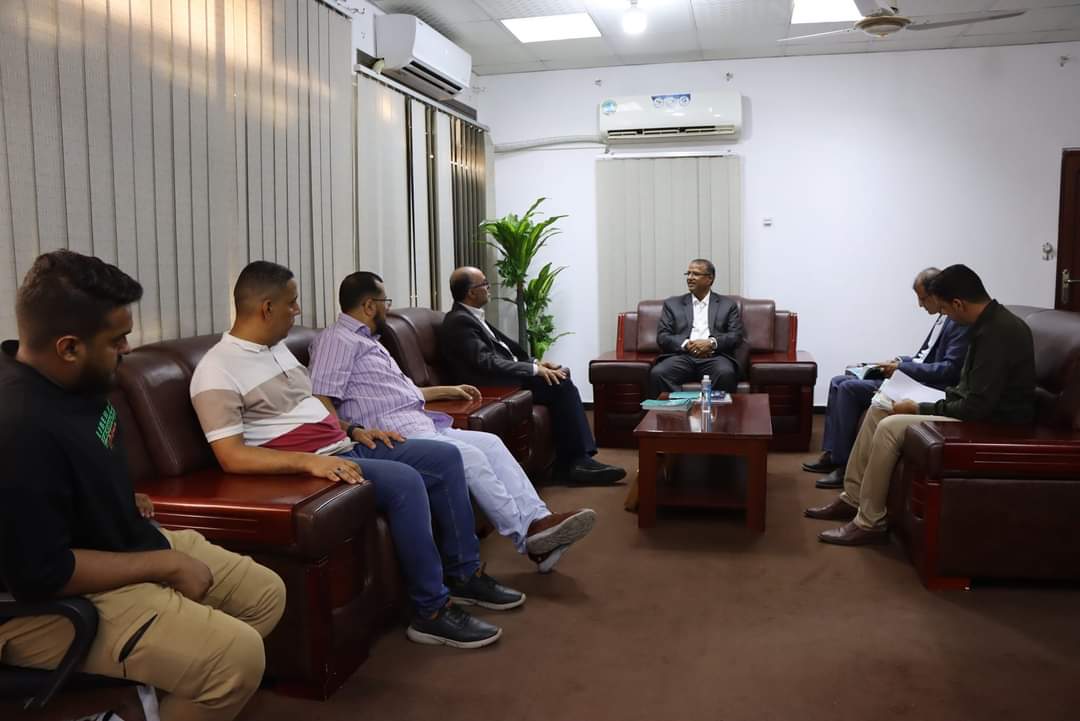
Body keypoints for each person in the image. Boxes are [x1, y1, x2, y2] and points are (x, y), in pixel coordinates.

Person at [0, 250, 286, 721]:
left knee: (265, 595)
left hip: (116, 541)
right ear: (68, 347)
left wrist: (113, 494)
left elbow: (71, 471)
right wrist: (166, 565)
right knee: (235, 660)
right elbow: (41, 573)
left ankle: (146, 702)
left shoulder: (75, 380)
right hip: (46, 601)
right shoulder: (19, 427)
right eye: (118, 340)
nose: (129, 349)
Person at [190, 261, 523, 650]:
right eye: (292, 302)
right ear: (267, 307)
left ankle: (464, 575)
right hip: (307, 464)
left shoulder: (275, 350)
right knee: (405, 482)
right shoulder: (217, 370)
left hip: (342, 444)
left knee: (445, 458)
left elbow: (311, 409)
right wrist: (311, 462)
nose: (297, 310)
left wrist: (353, 429)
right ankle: (431, 612)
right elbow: (231, 457)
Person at [308, 272, 598, 574]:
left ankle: (539, 520)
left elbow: (402, 392)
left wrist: (448, 390)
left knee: (491, 444)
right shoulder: (336, 340)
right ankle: (529, 534)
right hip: (394, 434)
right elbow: (320, 398)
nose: (387, 308)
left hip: (421, 423)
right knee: (468, 456)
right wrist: (351, 432)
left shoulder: (369, 342)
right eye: (385, 301)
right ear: (369, 305)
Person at [804, 265, 1036, 546]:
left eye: (945, 310)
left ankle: (870, 522)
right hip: (971, 407)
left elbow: (975, 408)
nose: (945, 316)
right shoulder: (986, 324)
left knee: (889, 426)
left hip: (992, 424)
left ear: (958, 304)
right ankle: (852, 498)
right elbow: (969, 393)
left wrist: (919, 408)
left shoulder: (997, 334)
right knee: (880, 407)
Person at [438, 266, 626, 485]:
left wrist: (536, 363)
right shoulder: (458, 321)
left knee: (558, 377)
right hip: (490, 384)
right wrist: (533, 370)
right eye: (485, 284)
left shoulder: (472, 316)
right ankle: (576, 462)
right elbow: (486, 362)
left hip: (502, 377)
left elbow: (506, 351)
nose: (489, 288)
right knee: (559, 384)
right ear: (471, 292)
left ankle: (575, 460)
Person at [803, 268, 970, 489]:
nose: (920, 305)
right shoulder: (942, 319)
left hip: (924, 387)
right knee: (838, 380)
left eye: (922, 299)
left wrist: (902, 368)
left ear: (936, 295)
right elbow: (924, 357)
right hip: (913, 376)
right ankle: (833, 454)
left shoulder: (958, 322)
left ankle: (843, 465)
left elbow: (949, 369)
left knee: (849, 388)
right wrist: (900, 360)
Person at [648, 259, 745, 397]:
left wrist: (711, 343)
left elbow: (736, 336)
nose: (690, 278)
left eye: (696, 274)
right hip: (682, 356)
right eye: (688, 273)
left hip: (714, 357)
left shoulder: (727, 305)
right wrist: (687, 344)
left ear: (709, 278)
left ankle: (716, 410)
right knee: (659, 373)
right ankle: (678, 409)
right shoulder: (673, 304)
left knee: (726, 373)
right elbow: (663, 336)